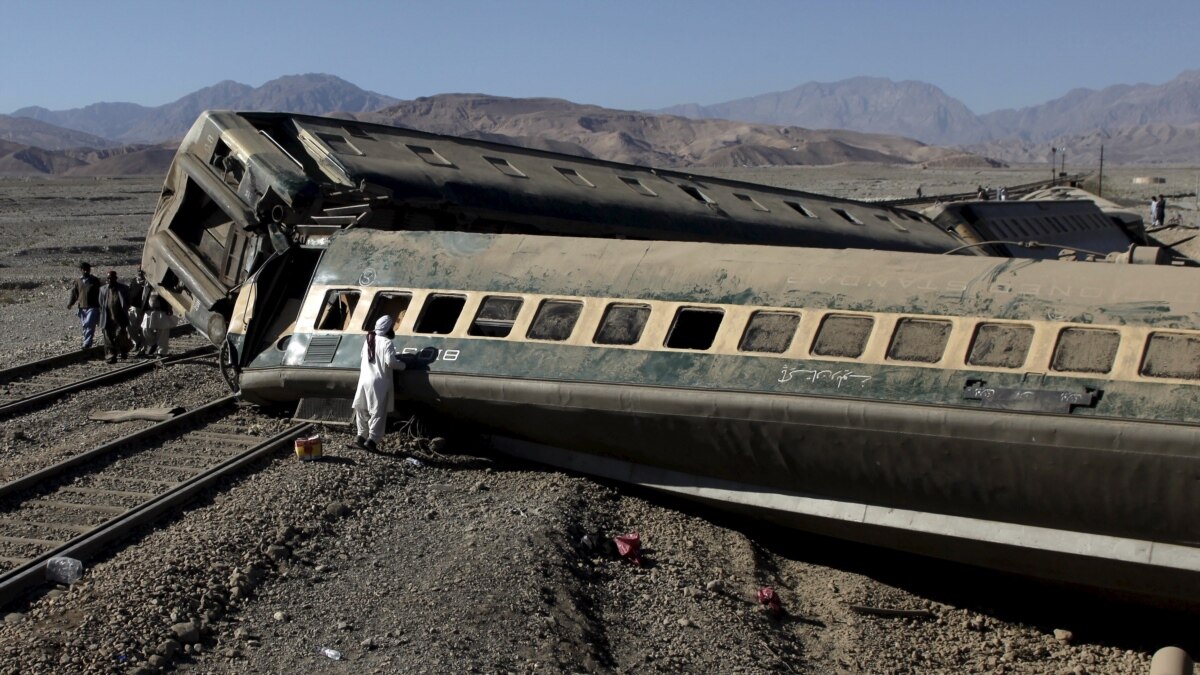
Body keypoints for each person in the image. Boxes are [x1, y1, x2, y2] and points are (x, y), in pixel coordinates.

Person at [352, 315, 406, 451]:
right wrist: (404, 365)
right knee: (378, 412)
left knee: (362, 408)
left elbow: (363, 356)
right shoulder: (387, 343)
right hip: (379, 382)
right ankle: (372, 440)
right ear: (388, 328)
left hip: (364, 379)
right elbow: (391, 362)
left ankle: (360, 436)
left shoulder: (368, 340)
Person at [97, 271, 131, 364]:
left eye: (111, 278)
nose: (109, 280)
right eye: (108, 278)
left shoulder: (123, 288)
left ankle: (123, 350)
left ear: (115, 278)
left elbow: (128, 301)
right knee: (107, 335)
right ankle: (111, 355)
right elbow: (101, 303)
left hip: (120, 316)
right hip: (107, 316)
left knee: (121, 334)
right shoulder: (103, 289)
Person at [66, 262, 100, 349]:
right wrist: (70, 303)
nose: (85, 271)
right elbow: (74, 293)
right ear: (81, 270)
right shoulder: (78, 281)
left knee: (89, 324)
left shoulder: (95, 280)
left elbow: (101, 293)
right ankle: (86, 341)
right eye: (84, 269)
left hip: (93, 307)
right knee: (85, 325)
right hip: (82, 307)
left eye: (87, 269)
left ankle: (87, 343)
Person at [140, 289, 173, 357]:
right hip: (149, 311)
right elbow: (144, 297)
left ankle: (161, 352)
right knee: (145, 330)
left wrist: (169, 308)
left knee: (163, 332)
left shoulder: (164, 286)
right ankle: (153, 344)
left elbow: (170, 297)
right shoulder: (147, 286)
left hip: (162, 311)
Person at [127, 269, 151, 356]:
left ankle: (143, 349)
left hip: (143, 309)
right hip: (133, 307)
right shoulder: (134, 281)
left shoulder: (148, 283)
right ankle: (137, 342)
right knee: (129, 327)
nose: (140, 273)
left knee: (142, 329)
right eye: (138, 271)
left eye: (141, 272)